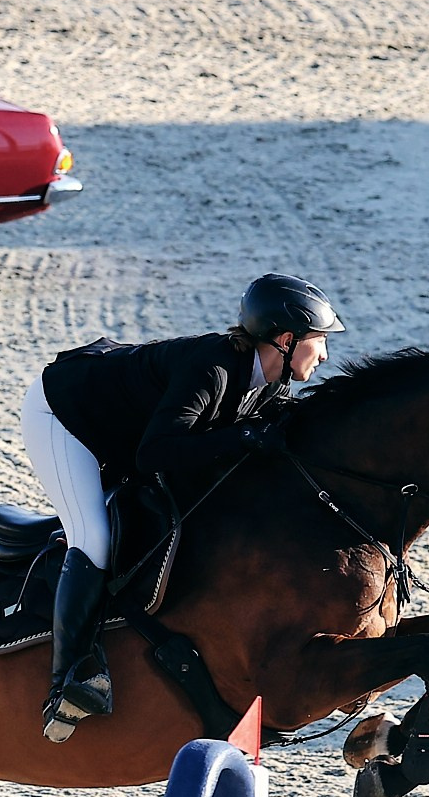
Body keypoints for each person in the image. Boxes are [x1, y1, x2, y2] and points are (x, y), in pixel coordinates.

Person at [21, 273, 345, 741]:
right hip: (65, 416)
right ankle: (69, 679)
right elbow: (155, 454)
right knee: (92, 536)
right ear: (285, 338)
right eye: (319, 341)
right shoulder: (213, 369)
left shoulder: (272, 384)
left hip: (124, 424)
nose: (325, 354)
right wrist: (245, 437)